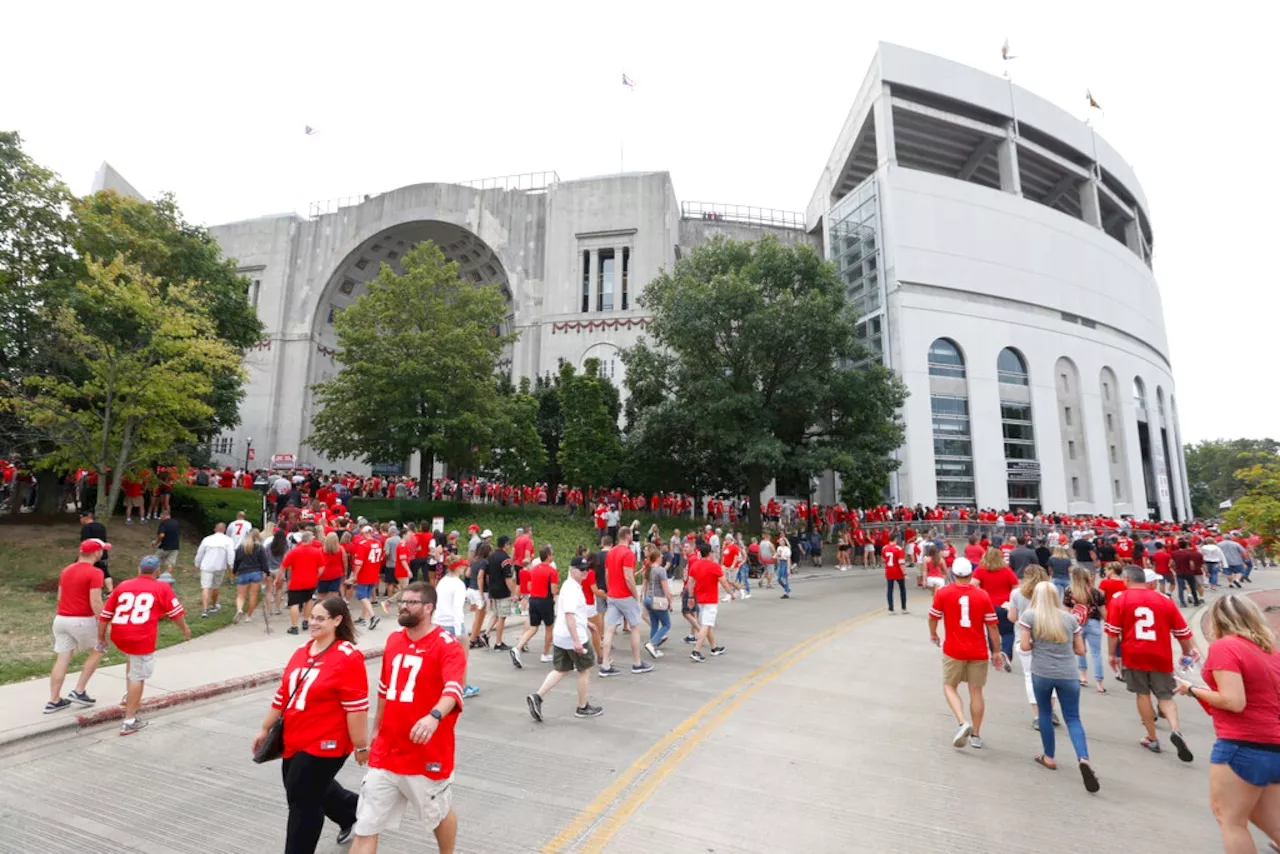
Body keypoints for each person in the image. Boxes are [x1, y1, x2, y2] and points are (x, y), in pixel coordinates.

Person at [350, 582, 465, 854]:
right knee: (365, 825)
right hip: (387, 751)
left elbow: (453, 688)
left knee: (438, 814)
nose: (403, 606)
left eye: (411, 602)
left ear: (428, 608)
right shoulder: (394, 640)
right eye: (403, 601)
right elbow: (385, 689)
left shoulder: (447, 646)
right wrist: (375, 729)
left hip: (427, 754)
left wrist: (434, 716)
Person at [253, 596, 368, 854]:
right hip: (295, 738)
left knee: (302, 800)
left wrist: (361, 745)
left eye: (320, 618)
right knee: (309, 787)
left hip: (328, 742)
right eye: (311, 616)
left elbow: (357, 708)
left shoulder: (348, 657)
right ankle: (353, 811)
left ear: (337, 620)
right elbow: (283, 695)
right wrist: (264, 728)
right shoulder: (302, 651)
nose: (312, 622)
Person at [1174, 595, 1280, 853]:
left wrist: (1193, 690)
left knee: (1230, 820)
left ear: (1218, 620)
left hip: (1241, 745)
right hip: (1273, 745)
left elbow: (1234, 702)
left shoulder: (1226, 647)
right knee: (1265, 818)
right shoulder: (1271, 654)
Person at [1105, 564, 1197, 760]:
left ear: (1127, 580)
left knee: (1142, 693)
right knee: (1165, 696)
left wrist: (1113, 655)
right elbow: (1182, 632)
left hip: (1134, 654)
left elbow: (1113, 633)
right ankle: (1175, 729)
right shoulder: (1164, 600)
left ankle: (1152, 737)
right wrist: (1186, 652)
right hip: (1161, 653)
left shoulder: (1120, 600)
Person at [97, 555, 192, 735]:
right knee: (138, 677)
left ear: (139, 569)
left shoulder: (123, 586)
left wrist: (101, 637)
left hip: (120, 634)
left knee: (131, 660)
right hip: (140, 638)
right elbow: (175, 613)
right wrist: (185, 629)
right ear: (157, 571)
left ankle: (128, 695)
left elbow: (105, 614)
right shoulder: (161, 587)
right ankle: (129, 720)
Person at [1019, 581, 1099, 792]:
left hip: (1042, 672)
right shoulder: (1069, 618)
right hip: (1068, 674)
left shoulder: (1030, 617)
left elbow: (1025, 646)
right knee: (1073, 718)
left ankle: (1049, 756)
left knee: (1045, 713)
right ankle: (1083, 758)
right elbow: (1081, 650)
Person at [928, 557, 1004, 749]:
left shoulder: (944, 592)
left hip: (953, 649)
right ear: (971, 574)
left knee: (949, 685)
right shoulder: (982, 595)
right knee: (976, 691)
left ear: (953, 574)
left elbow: (933, 617)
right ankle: (976, 735)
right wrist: (996, 651)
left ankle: (962, 722)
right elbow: (992, 626)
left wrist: (934, 634)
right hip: (978, 650)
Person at [527, 555, 603, 721]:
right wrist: (576, 640)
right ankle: (582, 707)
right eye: (581, 570)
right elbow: (569, 615)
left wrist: (586, 623)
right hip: (573, 637)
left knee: (561, 669)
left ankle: (537, 696)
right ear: (572, 570)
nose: (585, 572)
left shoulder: (570, 586)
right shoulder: (572, 589)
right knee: (585, 670)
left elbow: (574, 614)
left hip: (561, 636)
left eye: (586, 569)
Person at [45, 538, 110, 713]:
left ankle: (54, 699)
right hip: (82, 620)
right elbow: (96, 601)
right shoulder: (95, 572)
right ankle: (79, 691)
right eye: (102, 550)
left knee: (62, 658)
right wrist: (104, 620)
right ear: (96, 552)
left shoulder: (66, 570)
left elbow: (60, 596)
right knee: (100, 648)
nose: (103, 553)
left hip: (61, 620)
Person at [1004, 565, 1059, 730]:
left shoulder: (1017, 593)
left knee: (1030, 676)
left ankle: (1038, 715)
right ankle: (1050, 711)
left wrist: (1008, 608)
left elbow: (1013, 618)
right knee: (1050, 676)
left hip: (1024, 638)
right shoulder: (1051, 593)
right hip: (1047, 638)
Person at [600, 527, 654, 677]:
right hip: (625, 595)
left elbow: (607, 574)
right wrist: (635, 595)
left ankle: (605, 664)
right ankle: (637, 663)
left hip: (613, 595)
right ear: (628, 536)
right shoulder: (628, 554)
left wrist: (610, 589)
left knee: (610, 629)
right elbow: (628, 577)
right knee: (634, 627)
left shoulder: (611, 552)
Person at [432, 558, 479, 698]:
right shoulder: (458, 584)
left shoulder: (442, 581)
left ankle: (441, 684)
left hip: (439, 622)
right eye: (463, 567)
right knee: (462, 657)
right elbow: (457, 608)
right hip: (453, 623)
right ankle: (462, 687)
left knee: (442, 656)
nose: (464, 569)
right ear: (458, 568)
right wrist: (459, 630)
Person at [688, 542, 741, 662]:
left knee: (708, 623)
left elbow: (690, 582)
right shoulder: (714, 566)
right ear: (710, 553)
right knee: (706, 624)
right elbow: (724, 582)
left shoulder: (695, 565)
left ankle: (714, 647)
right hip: (711, 599)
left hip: (700, 598)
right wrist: (731, 593)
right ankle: (696, 650)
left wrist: (691, 597)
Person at [510, 544, 559, 668]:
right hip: (545, 601)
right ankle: (545, 654)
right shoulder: (552, 571)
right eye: (552, 554)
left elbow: (530, 586)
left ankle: (517, 648)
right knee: (549, 627)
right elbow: (553, 590)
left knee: (533, 627)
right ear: (548, 556)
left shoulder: (534, 569)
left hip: (533, 600)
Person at [1063, 566, 1108, 694]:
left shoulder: (1070, 591)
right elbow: (1103, 611)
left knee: (1080, 650)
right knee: (1096, 653)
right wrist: (1108, 624)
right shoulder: (1095, 592)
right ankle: (1099, 683)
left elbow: (1066, 611)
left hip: (1076, 623)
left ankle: (1083, 676)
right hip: (1093, 622)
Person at [973, 547, 1019, 668]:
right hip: (1004, 606)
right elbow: (1015, 586)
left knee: (991, 630)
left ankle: (994, 654)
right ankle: (1007, 653)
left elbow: (973, 586)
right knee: (1008, 632)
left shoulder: (980, 570)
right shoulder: (1007, 571)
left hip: (988, 606)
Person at [282, 531, 325, 635]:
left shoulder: (294, 551)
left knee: (294, 603)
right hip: (311, 580)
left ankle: (294, 626)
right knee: (308, 600)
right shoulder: (317, 551)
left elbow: (284, 566)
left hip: (296, 581)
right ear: (310, 540)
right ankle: (306, 621)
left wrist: (278, 578)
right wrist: (316, 576)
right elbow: (322, 567)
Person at [480, 535, 517, 651]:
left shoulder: (491, 556)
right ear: (505, 545)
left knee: (496, 614)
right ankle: (498, 642)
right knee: (502, 617)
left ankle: (486, 634)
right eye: (509, 544)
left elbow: (487, 575)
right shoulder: (505, 559)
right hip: (502, 591)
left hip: (492, 589)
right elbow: (508, 578)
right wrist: (514, 593)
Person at [194, 521, 236, 618]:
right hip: (220, 566)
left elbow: (200, 553)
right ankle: (213, 605)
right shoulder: (228, 540)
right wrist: (231, 566)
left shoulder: (207, 539)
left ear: (215, 529)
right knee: (216, 587)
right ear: (224, 530)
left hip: (207, 565)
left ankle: (204, 610)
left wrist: (197, 564)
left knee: (205, 587)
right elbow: (231, 554)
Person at [232, 528, 269, 623]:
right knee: (253, 595)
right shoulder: (260, 548)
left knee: (240, 595)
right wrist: (267, 572)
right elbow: (263, 562)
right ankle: (249, 616)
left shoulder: (241, 547)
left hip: (243, 572)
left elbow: (236, 561)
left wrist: (234, 571)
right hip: (256, 573)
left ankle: (239, 609)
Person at [643, 545, 672, 658]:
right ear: (657, 558)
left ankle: (653, 647)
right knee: (666, 624)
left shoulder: (649, 569)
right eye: (661, 557)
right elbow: (665, 589)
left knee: (654, 624)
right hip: (658, 600)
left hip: (648, 598)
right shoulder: (661, 570)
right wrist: (669, 601)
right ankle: (651, 643)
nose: (662, 558)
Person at [79, 510, 114, 593]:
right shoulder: (101, 526)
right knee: (105, 572)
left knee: (80, 568)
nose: (80, 520)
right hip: (102, 552)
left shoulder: (86, 528)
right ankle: (110, 591)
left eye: (81, 518)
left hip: (90, 554)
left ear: (85, 518)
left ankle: (81, 588)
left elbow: (85, 542)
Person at [883, 533, 907, 614]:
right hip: (898, 572)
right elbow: (901, 563)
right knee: (902, 589)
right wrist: (905, 573)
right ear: (895, 539)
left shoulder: (884, 548)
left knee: (890, 590)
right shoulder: (899, 549)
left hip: (889, 571)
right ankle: (903, 608)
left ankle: (891, 608)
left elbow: (883, 559)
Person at [776, 534, 793, 599]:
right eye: (779, 541)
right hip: (781, 563)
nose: (780, 542)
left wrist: (788, 568)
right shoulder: (779, 548)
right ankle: (787, 588)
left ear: (784, 542)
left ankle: (786, 593)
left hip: (785, 563)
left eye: (781, 541)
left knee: (784, 579)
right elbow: (778, 556)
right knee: (779, 579)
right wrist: (778, 562)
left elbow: (788, 559)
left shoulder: (787, 549)